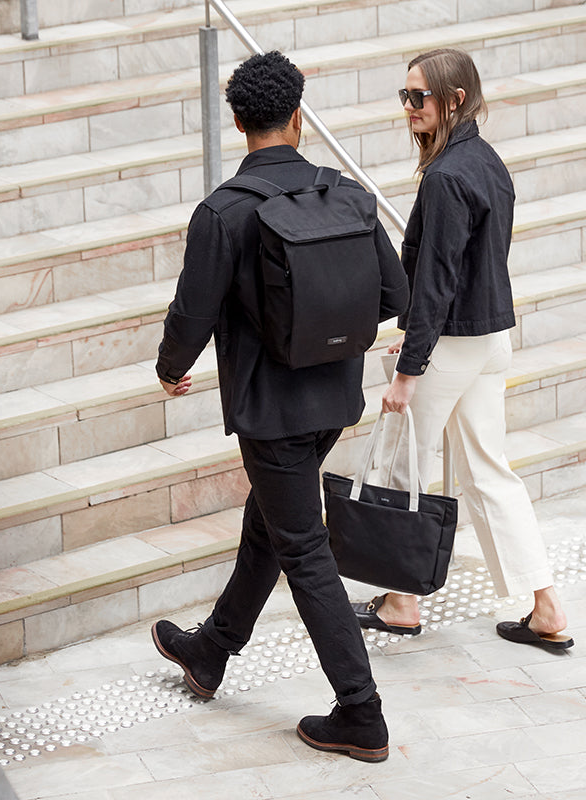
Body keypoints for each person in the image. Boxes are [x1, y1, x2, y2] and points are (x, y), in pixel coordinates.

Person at [151, 51, 410, 762]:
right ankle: (211, 650)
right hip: (333, 401)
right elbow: (397, 298)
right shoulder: (348, 195)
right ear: (299, 115)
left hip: (272, 413)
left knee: (302, 547)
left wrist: (171, 370)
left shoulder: (223, 212)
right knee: (270, 522)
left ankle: (361, 712)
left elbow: (190, 313)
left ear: (237, 122)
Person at [353, 48, 574, 652]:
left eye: (418, 97)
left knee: (404, 463)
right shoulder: (485, 161)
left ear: (453, 99)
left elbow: (437, 280)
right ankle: (545, 604)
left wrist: (408, 367)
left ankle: (402, 601)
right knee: (487, 472)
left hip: (451, 343)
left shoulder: (449, 175)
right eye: (404, 96)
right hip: (488, 338)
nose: (408, 108)